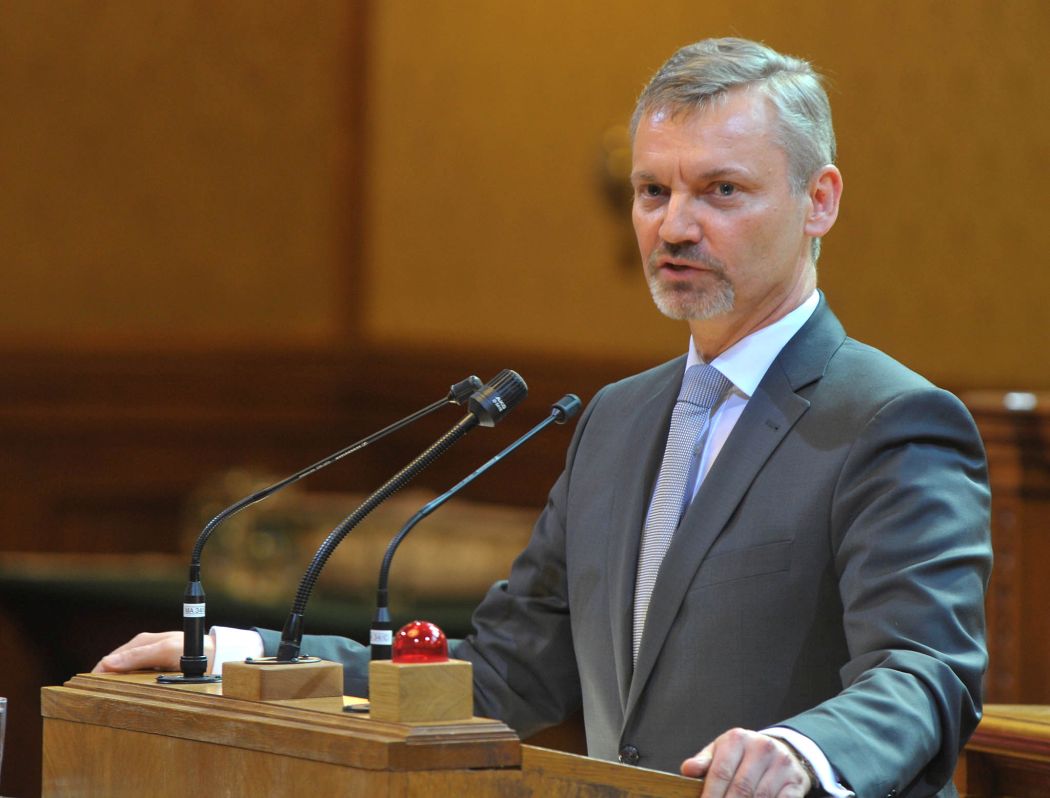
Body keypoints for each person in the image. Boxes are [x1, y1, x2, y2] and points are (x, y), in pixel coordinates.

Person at [95, 38, 991, 798]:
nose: (675, 226)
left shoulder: (890, 420)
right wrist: (250, 657)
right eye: (653, 192)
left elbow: (926, 673)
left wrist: (803, 751)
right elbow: (506, 671)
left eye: (721, 191)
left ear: (819, 201)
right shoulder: (619, 419)